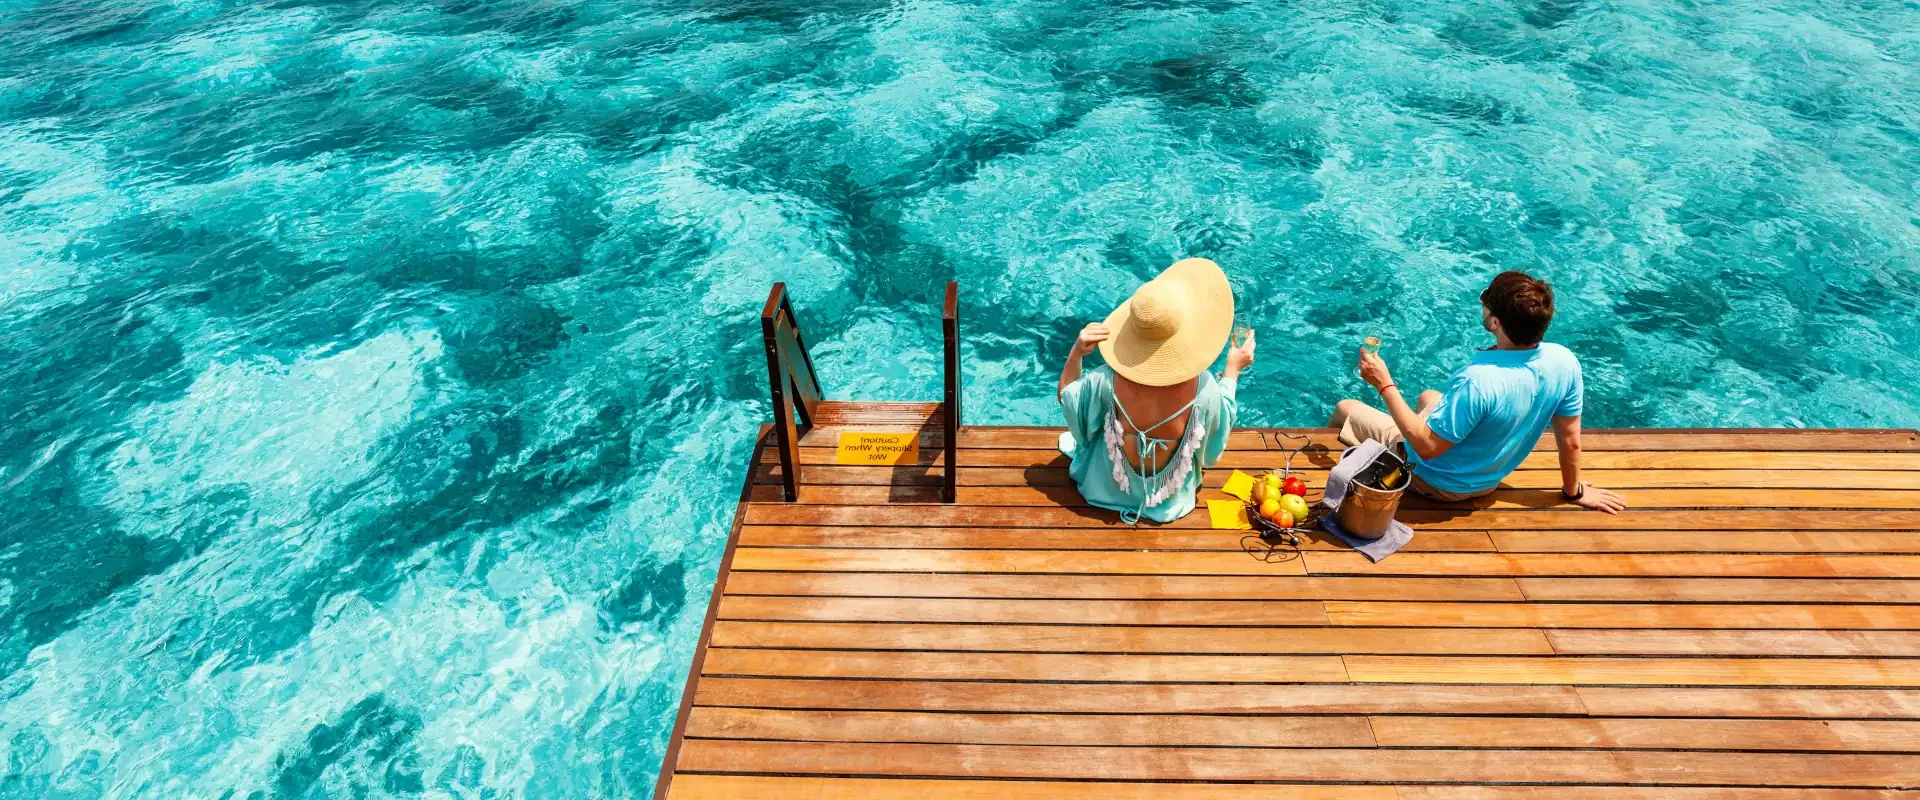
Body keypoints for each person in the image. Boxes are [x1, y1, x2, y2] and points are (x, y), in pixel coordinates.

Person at [1326, 271, 1628, 514]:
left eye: (1486, 303)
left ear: (1495, 322)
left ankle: (1335, 466)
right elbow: (1571, 441)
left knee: (1346, 408)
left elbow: (1428, 448)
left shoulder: (1478, 381)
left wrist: (1384, 383)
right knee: (1429, 397)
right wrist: (1574, 492)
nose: (1483, 305)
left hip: (1436, 482)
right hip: (1487, 478)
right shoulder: (1564, 361)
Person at [1057, 258, 1257, 524]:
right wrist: (1232, 371)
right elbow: (1212, 452)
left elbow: (1068, 400)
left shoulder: (1105, 379)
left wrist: (1076, 353)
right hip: (1169, 503)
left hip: (1100, 491)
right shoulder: (1204, 388)